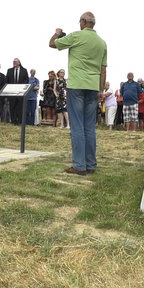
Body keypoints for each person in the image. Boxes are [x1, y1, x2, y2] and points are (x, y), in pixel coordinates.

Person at [49, 12, 107, 177]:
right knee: (89, 127)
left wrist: (58, 33)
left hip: (76, 86)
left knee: (77, 126)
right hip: (93, 86)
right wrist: (101, 90)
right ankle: (90, 164)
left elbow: (52, 44)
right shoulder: (102, 43)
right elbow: (103, 70)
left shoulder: (76, 36)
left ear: (83, 22)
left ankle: (79, 165)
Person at [6, 58, 29, 124]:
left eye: (15, 62)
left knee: (20, 107)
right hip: (12, 93)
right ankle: (13, 121)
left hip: (20, 92)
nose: (14, 63)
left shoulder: (24, 70)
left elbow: (26, 80)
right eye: (13, 62)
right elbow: (7, 80)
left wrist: (20, 87)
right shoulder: (9, 70)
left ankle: (20, 121)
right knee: (12, 106)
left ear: (19, 63)